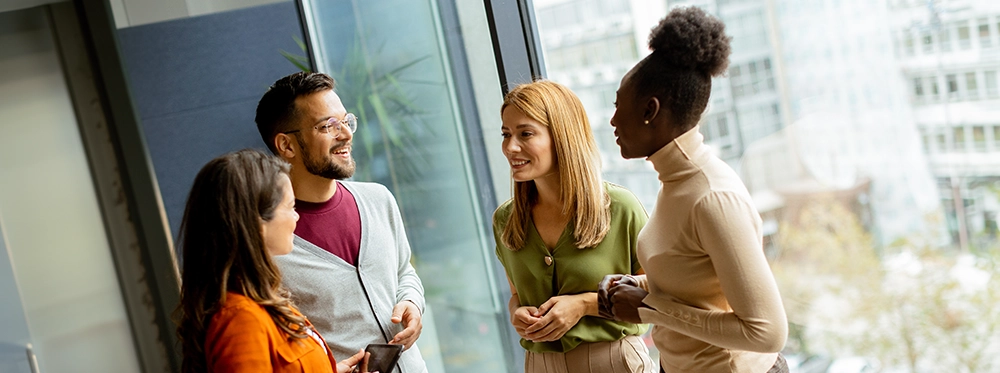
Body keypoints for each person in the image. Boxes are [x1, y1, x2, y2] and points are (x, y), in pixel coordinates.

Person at [597, 7, 789, 373]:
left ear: (650, 110)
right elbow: (696, 281)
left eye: (617, 104)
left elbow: (767, 333)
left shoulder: (712, 197)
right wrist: (635, 286)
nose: (612, 120)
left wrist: (648, 306)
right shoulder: (675, 182)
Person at [254, 72, 427, 373]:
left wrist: (411, 302)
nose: (346, 134)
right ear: (286, 145)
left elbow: (403, 271)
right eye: (327, 126)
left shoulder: (379, 199)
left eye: (346, 121)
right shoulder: (268, 246)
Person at [493, 80, 655, 373]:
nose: (510, 147)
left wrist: (584, 305)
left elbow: (656, 299)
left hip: (614, 361)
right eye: (506, 134)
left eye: (525, 133)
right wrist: (517, 312)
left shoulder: (620, 208)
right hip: (539, 365)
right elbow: (517, 295)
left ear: (562, 136)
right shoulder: (506, 220)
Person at [175, 149, 373, 373]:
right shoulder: (240, 320)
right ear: (256, 223)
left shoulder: (262, 300)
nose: (296, 216)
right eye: (290, 207)